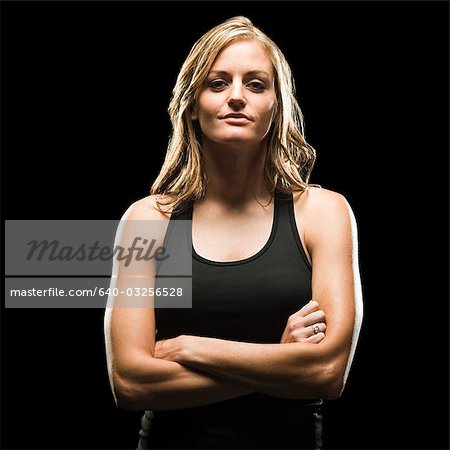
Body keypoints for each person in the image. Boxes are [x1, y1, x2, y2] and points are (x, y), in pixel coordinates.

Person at [104, 15, 363, 450]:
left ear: (276, 105)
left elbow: (326, 374)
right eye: (217, 83)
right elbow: (129, 383)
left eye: (256, 84)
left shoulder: (323, 212)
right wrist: (280, 359)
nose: (237, 97)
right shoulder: (146, 222)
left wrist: (187, 347)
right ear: (192, 103)